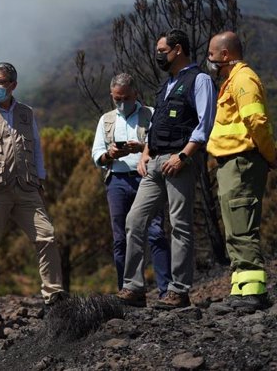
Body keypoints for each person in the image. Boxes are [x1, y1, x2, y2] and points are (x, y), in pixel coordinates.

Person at [116, 28, 217, 309]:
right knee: (134, 221)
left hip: (179, 161)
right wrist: (145, 154)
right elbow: (155, 125)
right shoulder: (167, 84)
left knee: (180, 226)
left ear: (178, 50)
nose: (159, 55)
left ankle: (179, 290)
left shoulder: (200, 80)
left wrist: (183, 157)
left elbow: (204, 124)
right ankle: (134, 288)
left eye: (162, 50)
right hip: (156, 163)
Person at [0, 62, 66, 323]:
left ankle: (53, 298)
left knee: (47, 237)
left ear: (13, 85)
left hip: (27, 188)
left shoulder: (26, 114)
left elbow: (37, 149)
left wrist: (40, 181)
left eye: (0, 82)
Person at [206, 31, 277, 312]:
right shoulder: (232, 81)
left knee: (242, 226)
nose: (209, 59)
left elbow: (256, 121)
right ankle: (240, 288)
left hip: (242, 162)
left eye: (212, 54)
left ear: (225, 55)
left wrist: (270, 155)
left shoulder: (244, 79)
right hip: (231, 163)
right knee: (235, 228)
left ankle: (253, 293)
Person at [91, 73, 171, 296]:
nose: (121, 103)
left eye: (126, 97)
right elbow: (96, 154)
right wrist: (110, 153)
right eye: (117, 98)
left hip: (147, 179)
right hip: (117, 180)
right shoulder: (106, 120)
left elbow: (161, 144)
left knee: (155, 232)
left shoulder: (151, 114)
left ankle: (165, 290)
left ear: (135, 93)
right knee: (120, 238)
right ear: (111, 95)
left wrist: (141, 148)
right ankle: (127, 289)